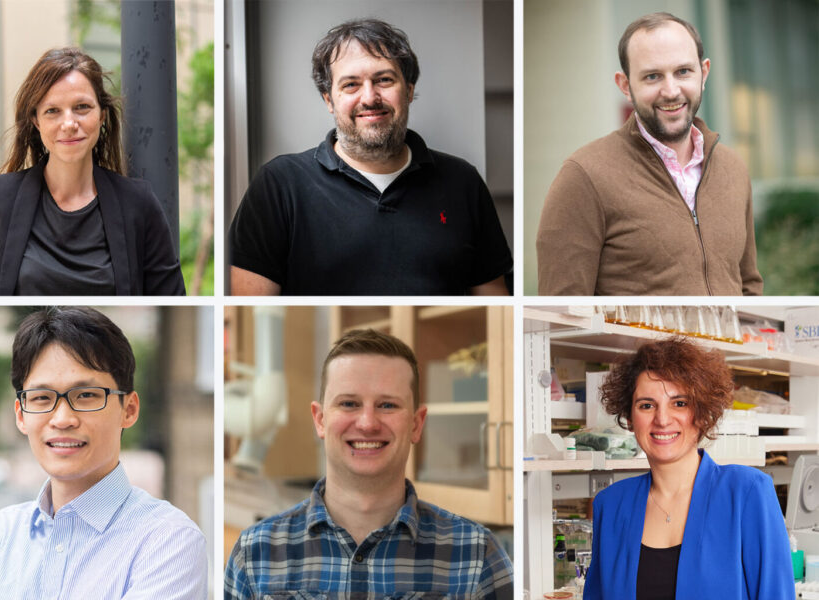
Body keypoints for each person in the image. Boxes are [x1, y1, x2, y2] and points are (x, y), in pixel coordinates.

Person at [0, 307, 208, 599]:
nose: (62, 419)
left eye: (85, 396)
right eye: (42, 397)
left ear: (129, 409)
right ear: (21, 415)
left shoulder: (168, 541)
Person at [228, 19, 512, 296]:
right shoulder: (279, 185)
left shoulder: (462, 182)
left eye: (384, 80)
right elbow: (245, 306)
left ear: (409, 90)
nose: (369, 97)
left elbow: (496, 300)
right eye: (350, 84)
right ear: (329, 99)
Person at [224, 329, 513, 598]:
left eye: (387, 405)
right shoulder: (254, 555)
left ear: (416, 423)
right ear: (320, 419)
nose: (367, 423)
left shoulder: (477, 556)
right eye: (349, 403)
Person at [536, 12, 762, 296]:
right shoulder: (584, 176)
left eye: (683, 72)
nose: (671, 91)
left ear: (703, 74)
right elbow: (563, 305)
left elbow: (748, 285)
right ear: (625, 85)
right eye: (652, 76)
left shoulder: (733, 168)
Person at [0, 47, 185, 295]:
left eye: (82, 107)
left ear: (101, 115)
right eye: (52, 111)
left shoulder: (138, 203)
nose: (69, 124)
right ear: (36, 121)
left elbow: (171, 296)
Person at [584, 337, 793, 599]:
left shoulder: (747, 492)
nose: (662, 419)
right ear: (629, 417)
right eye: (646, 405)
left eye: (679, 403)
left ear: (702, 413)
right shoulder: (611, 505)